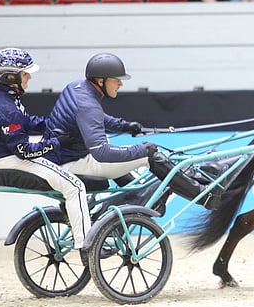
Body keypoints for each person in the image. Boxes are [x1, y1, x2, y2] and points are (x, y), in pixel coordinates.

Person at [44, 53, 228, 210]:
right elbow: (101, 152)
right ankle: (203, 196)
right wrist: (142, 150)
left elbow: (95, 119)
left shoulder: (76, 88)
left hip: (63, 158)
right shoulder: (89, 105)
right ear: (100, 81)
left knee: (127, 157)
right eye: (116, 80)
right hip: (73, 164)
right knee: (149, 154)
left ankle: (135, 198)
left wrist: (124, 126)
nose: (120, 84)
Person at [0, 48, 91, 255]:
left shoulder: (1, 97)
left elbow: (26, 122)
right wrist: (58, 142)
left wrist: (54, 124)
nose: (29, 77)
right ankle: (86, 247)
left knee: (66, 183)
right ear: (10, 77)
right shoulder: (7, 109)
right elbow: (24, 151)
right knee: (75, 187)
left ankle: (73, 218)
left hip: (1, 158)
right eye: (25, 73)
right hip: (9, 160)